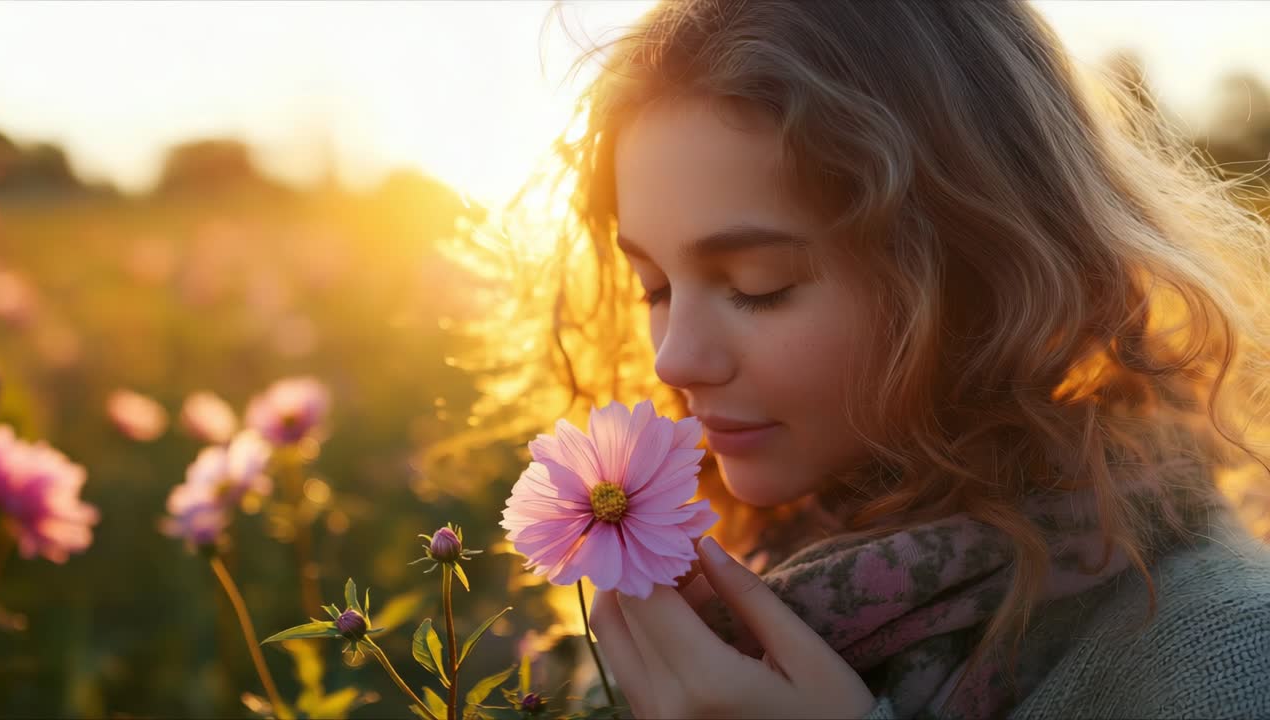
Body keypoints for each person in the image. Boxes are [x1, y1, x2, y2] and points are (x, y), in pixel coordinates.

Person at [488, 1, 1270, 717]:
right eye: (654, 287)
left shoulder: (1224, 654)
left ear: (975, 273)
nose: (673, 360)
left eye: (759, 285)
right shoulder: (723, 588)